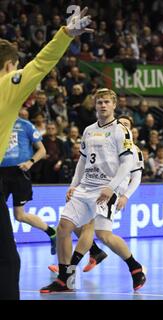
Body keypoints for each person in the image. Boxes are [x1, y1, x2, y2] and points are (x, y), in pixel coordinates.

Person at [0, 6, 92, 300]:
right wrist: (65, 35)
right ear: (8, 66)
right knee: (6, 260)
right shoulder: (7, 85)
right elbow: (41, 64)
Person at [40, 89, 146, 293]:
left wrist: (111, 188)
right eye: (99, 102)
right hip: (85, 187)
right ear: (95, 105)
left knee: (104, 235)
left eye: (107, 102)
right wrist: (73, 184)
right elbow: (82, 160)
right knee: (63, 227)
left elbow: (126, 164)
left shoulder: (121, 130)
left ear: (114, 105)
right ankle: (65, 280)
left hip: (105, 189)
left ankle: (134, 266)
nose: (103, 105)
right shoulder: (88, 129)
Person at [0, 117, 56, 254]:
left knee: (19, 215)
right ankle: (7, 243)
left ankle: (51, 232)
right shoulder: (2, 123)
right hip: (1, 173)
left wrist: (30, 162)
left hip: (20, 172)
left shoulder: (25, 125)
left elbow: (42, 151)